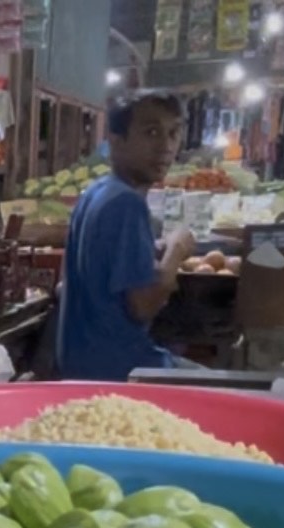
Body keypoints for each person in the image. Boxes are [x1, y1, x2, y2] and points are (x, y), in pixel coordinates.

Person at [56, 90, 196, 380]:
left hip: (82, 362)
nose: (166, 146)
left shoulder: (98, 191)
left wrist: (151, 250)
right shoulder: (127, 203)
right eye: (151, 132)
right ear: (116, 141)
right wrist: (176, 252)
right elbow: (143, 307)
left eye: (173, 133)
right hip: (119, 368)